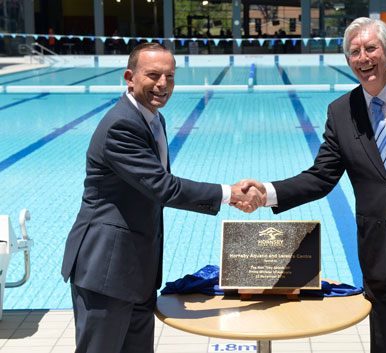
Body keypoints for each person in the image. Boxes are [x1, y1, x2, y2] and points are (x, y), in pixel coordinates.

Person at [237, 17, 386, 353]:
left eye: (371, 48)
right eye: (355, 52)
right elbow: (321, 176)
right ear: (348, 60)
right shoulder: (342, 111)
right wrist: (267, 193)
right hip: (380, 254)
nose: (363, 58)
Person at [61, 43, 264, 353]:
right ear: (130, 77)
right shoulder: (122, 125)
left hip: (136, 270)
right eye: (153, 75)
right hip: (106, 269)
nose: (162, 84)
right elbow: (162, 187)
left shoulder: (152, 119)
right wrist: (229, 194)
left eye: (169, 76)